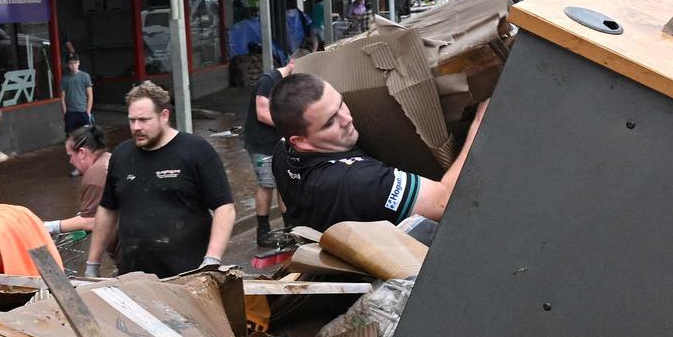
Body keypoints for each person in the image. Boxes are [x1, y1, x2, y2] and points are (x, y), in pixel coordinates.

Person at [268, 71, 486, 232]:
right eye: (329, 122)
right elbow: (446, 200)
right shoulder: (357, 180)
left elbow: (285, 205)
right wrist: (479, 125)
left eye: (341, 104)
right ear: (301, 141)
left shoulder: (282, 150)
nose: (347, 119)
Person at [88, 81, 235, 279]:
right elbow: (107, 210)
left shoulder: (195, 150)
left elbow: (224, 208)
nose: (136, 127)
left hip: (188, 275)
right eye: (132, 120)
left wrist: (211, 260)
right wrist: (92, 264)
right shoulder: (121, 155)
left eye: (143, 120)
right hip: (134, 276)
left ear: (164, 115)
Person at [247, 60, 292, 245]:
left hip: (278, 142)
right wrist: (293, 124)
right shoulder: (268, 80)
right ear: (294, 62)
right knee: (267, 185)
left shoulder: (286, 83)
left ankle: (290, 230)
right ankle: (263, 233)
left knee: (284, 185)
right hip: (262, 143)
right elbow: (262, 113)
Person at [60, 54, 95, 141]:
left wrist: (88, 112)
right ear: (68, 65)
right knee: (71, 138)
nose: (74, 65)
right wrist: (65, 113)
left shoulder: (85, 76)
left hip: (83, 112)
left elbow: (90, 95)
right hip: (70, 113)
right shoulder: (64, 79)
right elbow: (62, 97)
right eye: (71, 63)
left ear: (79, 63)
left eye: (75, 63)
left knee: (86, 137)